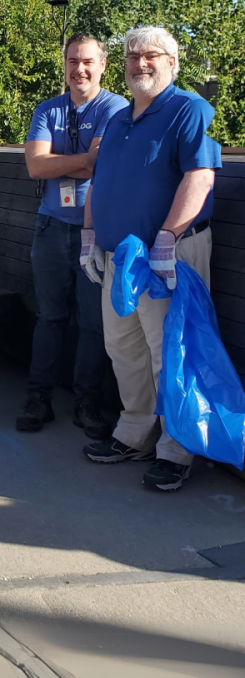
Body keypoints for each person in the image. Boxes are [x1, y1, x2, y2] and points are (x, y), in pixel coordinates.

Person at [81, 26, 221, 491]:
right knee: (123, 348)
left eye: (152, 55)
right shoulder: (119, 119)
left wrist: (168, 237)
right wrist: (88, 234)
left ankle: (177, 449)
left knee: (172, 354)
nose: (140, 63)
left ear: (173, 63)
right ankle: (135, 432)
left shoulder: (189, 109)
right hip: (119, 256)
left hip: (168, 256)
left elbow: (199, 178)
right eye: (132, 56)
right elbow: (98, 183)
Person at [16, 35, 127, 436]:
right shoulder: (47, 109)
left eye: (87, 61)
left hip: (95, 229)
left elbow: (101, 166)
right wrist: (84, 162)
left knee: (93, 322)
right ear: (63, 64)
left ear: (102, 65)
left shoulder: (115, 108)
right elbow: (35, 167)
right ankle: (38, 398)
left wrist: (59, 162)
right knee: (50, 317)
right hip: (49, 227)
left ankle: (87, 402)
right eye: (72, 61)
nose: (79, 69)